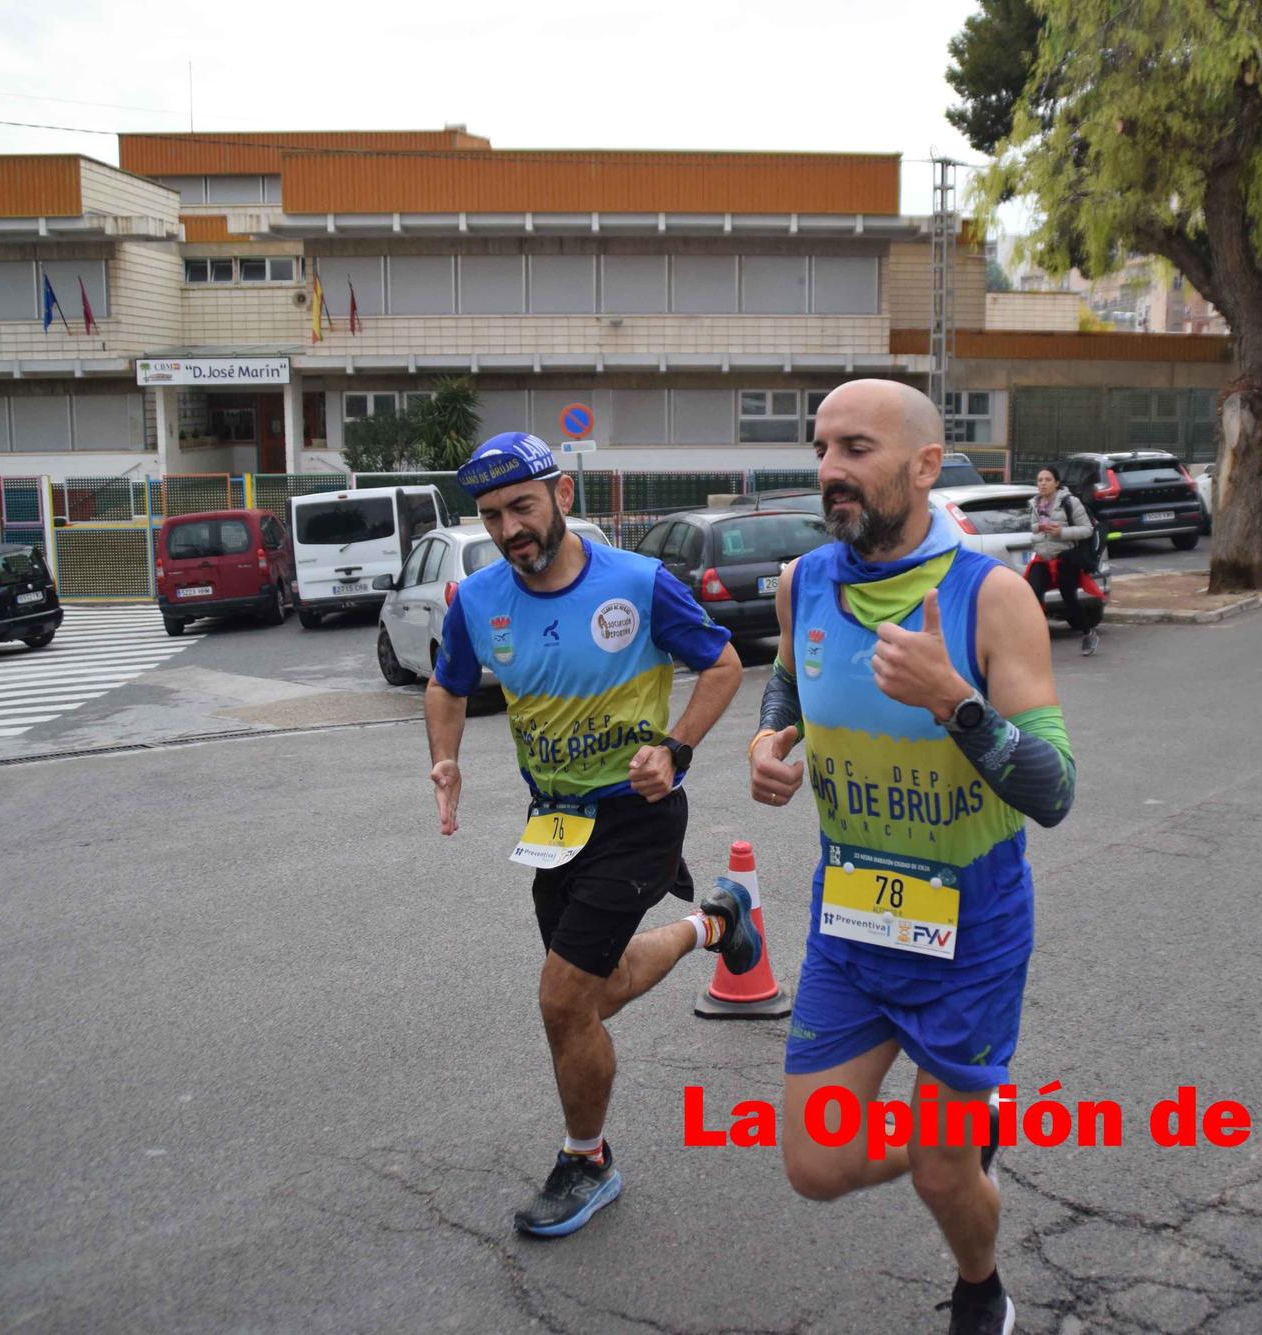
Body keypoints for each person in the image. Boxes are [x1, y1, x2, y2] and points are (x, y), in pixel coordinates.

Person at [749, 380, 1076, 1335]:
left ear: (926, 465)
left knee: (941, 1173)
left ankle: (982, 1285)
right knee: (815, 1165)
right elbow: (788, 681)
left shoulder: (993, 596)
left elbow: (1053, 791)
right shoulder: (803, 580)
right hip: (851, 921)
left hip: (969, 929)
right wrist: (772, 744)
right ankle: (966, 1135)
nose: (828, 471)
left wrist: (957, 704)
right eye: (821, 449)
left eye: (855, 448)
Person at [424, 431, 754, 1238]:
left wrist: (675, 749)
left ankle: (588, 1160)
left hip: (638, 817)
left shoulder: (639, 583)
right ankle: (717, 921)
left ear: (561, 498)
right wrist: (445, 759)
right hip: (555, 823)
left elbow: (723, 664)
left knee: (562, 997)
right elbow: (446, 684)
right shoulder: (477, 600)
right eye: (493, 515)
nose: (509, 529)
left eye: (522, 507)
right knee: (594, 994)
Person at [1024, 466, 1102, 657]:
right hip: (1042, 559)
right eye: (1040, 480)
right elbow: (1033, 528)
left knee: (1069, 600)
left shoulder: (1070, 502)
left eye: (1047, 480)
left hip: (1065, 558)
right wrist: (1039, 527)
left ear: (1057, 483)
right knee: (1032, 595)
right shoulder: (1035, 503)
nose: (1043, 483)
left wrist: (1062, 532)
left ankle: (1088, 633)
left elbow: (1087, 529)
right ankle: (1038, 638)